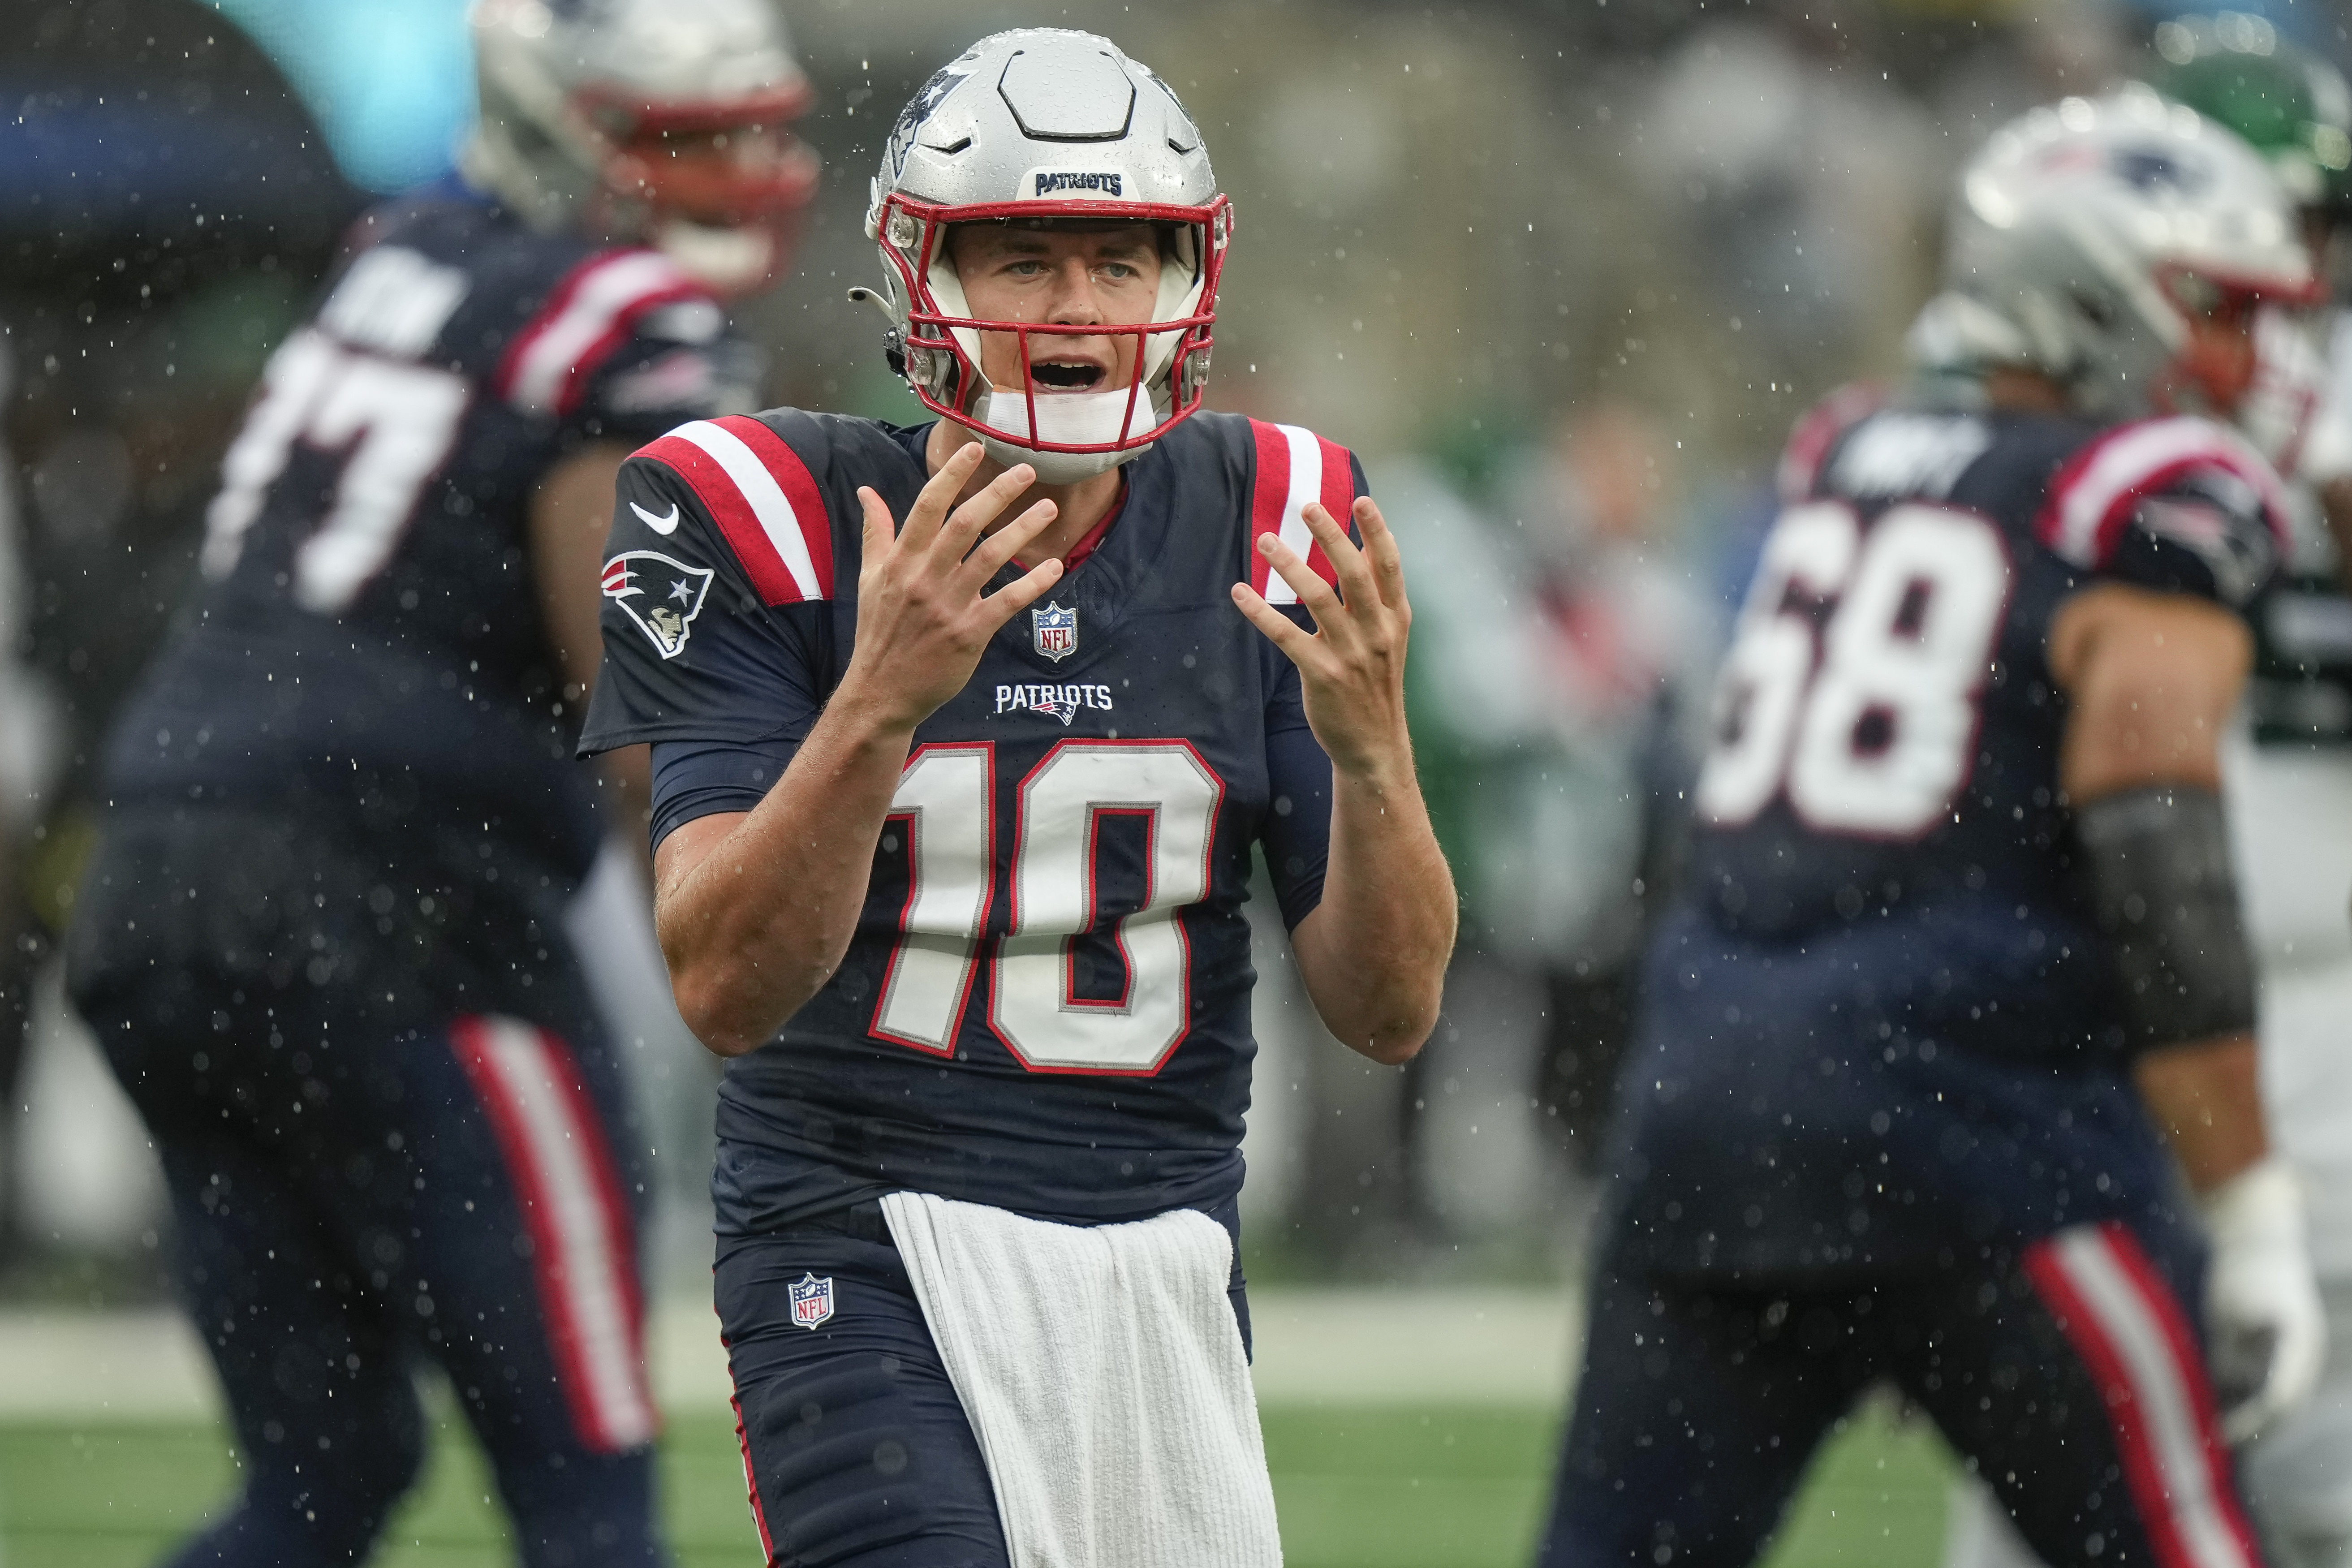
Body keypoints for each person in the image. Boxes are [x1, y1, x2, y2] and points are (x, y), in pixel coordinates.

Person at [577, 28, 1454, 1565]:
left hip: (1163, 1257)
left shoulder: (1279, 511)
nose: (1074, 310)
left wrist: (1374, 758)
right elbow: (720, 979)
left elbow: (1388, 1012)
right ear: (924, 280)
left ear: (1187, 281)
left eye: (1120, 261)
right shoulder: (762, 510)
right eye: (1022, 258)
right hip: (859, 1244)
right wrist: (879, 698)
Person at [60, 0, 816, 1561]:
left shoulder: (402, 257)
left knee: (320, 1477)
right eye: (692, 137)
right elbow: (636, 688)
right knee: (585, 1493)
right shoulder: (624, 319)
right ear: (571, 130)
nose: (747, 170)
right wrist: (760, 930)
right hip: (395, 898)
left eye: (757, 127)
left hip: (162, 875)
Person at [1537, 86, 2327, 1568]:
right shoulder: (2142, 494)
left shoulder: (1844, 452)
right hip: (1983, 1136)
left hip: (1710, 1119)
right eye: (2221, 308)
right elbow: (2161, 868)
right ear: (2097, 299)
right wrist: (2252, 1213)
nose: (2256, 356)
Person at [1945, 22, 2352, 1568]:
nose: (2281, 281)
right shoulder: (2043, 407)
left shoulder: (2295, 395)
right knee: (2070, 1485)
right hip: (2091, 998)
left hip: (2295, 991)